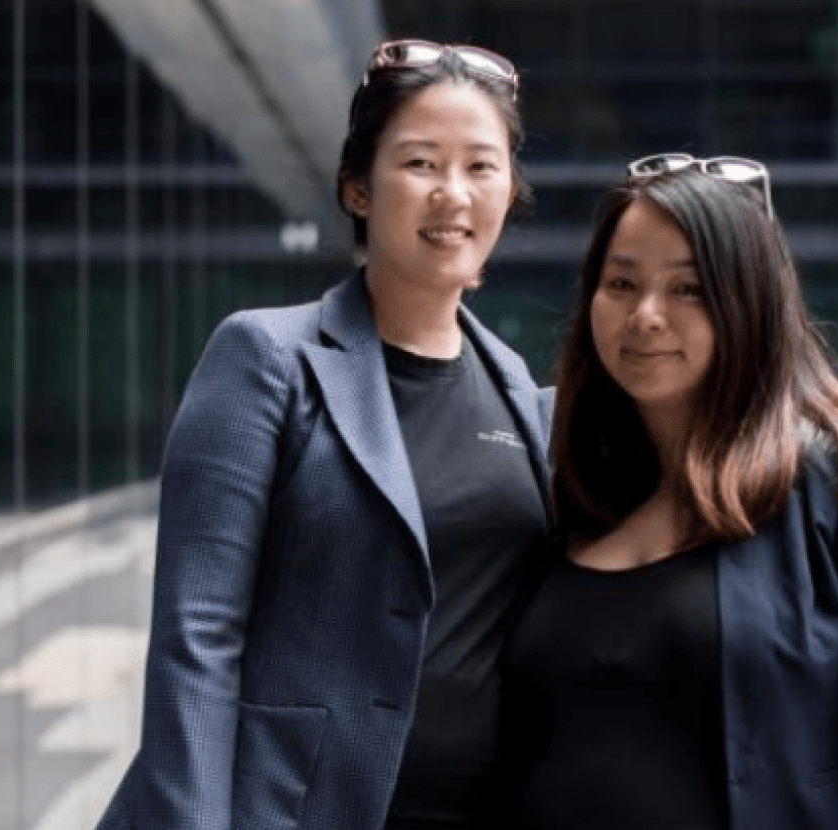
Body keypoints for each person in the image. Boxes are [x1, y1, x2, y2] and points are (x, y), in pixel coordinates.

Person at [94, 40, 552, 830]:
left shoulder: (516, 384)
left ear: (510, 191)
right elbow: (195, 639)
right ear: (358, 187)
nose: (454, 193)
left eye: (481, 166)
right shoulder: (266, 358)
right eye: (419, 163)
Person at [502, 157, 838, 830]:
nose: (647, 315)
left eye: (688, 289)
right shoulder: (569, 477)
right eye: (622, 282)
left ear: (748, 300)